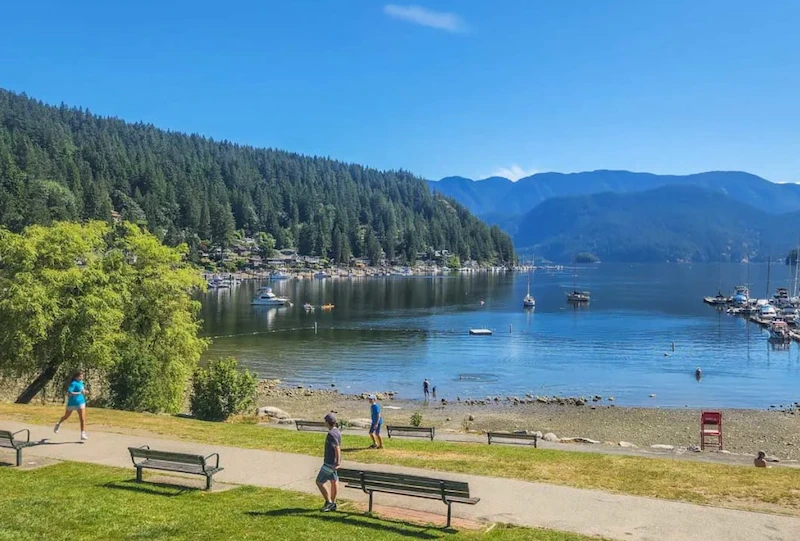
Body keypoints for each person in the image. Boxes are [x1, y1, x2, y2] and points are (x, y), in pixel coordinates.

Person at [316, 413, 341, 511]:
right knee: (334, 481)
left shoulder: (331, 434)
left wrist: (338, 462)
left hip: (330, 463)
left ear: (327, 422)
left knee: (319, 482)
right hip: (333, 463)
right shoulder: (337, 431)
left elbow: (337, 447)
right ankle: (333, 503)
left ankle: (329, 502)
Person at [54, 370, 88, 440]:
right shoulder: (73, 383)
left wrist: (85, 391)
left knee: (82, 418)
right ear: (76, 377)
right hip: (72, 403)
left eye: (82, 376)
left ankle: (83, 434)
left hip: (81, 402)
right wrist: (79, 393)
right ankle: (59, 423)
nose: (82, 377)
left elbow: (82, 390)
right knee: (66, 416)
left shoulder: (81, 383)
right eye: (80, 376)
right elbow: (70, 393)